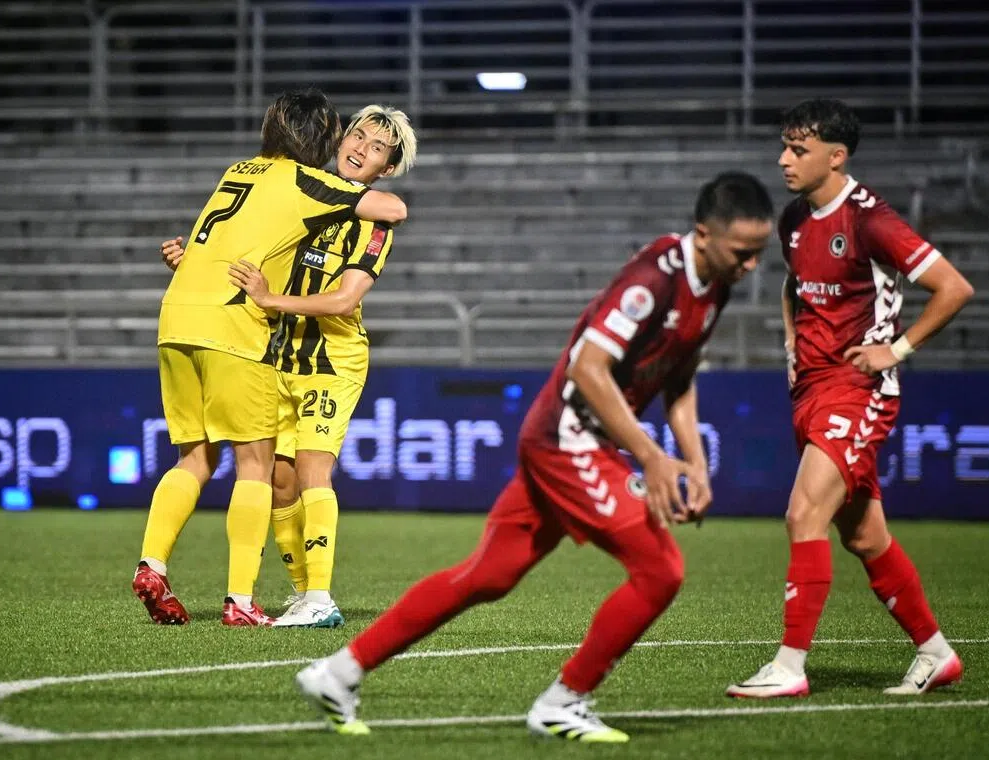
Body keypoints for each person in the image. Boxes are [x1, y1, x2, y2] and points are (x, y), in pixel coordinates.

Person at [294, 172, 775, 741]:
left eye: (759, 254)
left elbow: (681, 380)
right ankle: (565, 700)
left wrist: (693, 462)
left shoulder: (714, 285)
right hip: (568, 438)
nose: (751, 267)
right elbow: (587, 369)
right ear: (704, 233)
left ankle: (338, 672)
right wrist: (651, 456)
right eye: (742, 252)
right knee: (660, 570)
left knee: (488, 575)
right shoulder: (653, 280)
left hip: (570, 441)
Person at [726, 99, 974, 699]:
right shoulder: (793, 219)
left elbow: (954, 287)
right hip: (812, 389)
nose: (784, 159)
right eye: (784, 146)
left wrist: (898, 349)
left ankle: (789, 666)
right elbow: (793, 282)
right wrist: (791, 344)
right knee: (865, 537)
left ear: (836, 158)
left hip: (858, 392)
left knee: (802, 513)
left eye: (799, 150)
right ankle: (936, 654)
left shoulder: (871, 221)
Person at [132, 88, 408, 627]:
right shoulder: (303, 192)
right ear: (334, 138)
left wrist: (266, 298)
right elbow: (252, 249)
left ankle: (316, 597)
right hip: (270, 348)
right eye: (355, 135)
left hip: (329, 354)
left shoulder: (361, 215)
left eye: (377, 147)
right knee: (276, 477)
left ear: (388, 166)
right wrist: (198, 262)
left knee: (308, 470)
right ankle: (302, 593)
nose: (359, 148)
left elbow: (347, 296)